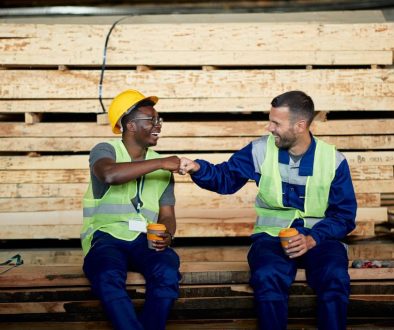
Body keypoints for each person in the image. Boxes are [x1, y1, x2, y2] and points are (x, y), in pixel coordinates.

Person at [179, 91, 357, 330]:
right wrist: (198, 168)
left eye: (276, 123)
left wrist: (313, 238)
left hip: (320, 239)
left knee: (335, 276)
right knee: (266, 276)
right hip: (272, 238)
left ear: (300, 125)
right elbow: (226, 178)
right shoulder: (260, 150)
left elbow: (344, 215)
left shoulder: (332, 160)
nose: (269, 127)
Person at [81, 89, 181, 330]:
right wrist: (160, 163)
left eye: (159, 120)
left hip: (145, 240)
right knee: (106, 276)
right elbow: (109, 174)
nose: (158, 126)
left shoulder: (163, 165)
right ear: (130, 126)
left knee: (168, 271)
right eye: (150, 120)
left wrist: (167, 234)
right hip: (106, 237)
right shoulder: (106, 150)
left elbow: (167, 214)